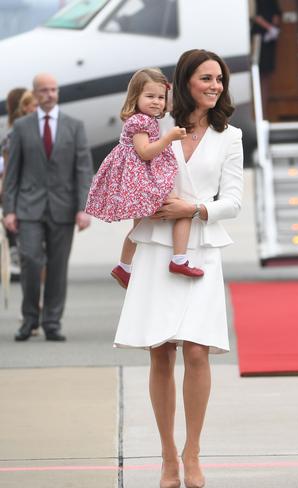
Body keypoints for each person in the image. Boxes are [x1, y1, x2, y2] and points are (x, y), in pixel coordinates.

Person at [113, 49, 243, 488]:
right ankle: (168, 456)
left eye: (220, 80)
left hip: (200, 248)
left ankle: (193, 453)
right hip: (155, 246)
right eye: (206, 78)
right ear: (185, 81)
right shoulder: (155, 128)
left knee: (196, 351)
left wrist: (195, 208)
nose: (215, 86)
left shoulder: (230, 136)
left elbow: (234, 201)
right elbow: (131, 175)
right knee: (160, 351)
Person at [84, 68, 201, 289]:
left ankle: (124, 267)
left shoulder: (144, 119)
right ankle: (179, 259)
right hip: (141, 178)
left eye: (160, 97)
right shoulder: (141, 121)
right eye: (150, 96)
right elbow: (145, 152)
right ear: (135, 96)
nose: (156, 102)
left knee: (139, 227)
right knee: (183, 209)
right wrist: (170, 137)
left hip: (138, 176)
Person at [2, 73, 93, 342]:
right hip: (28, 207)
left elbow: (83, 170)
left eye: (53, 89)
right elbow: (12, 173)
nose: (49, 94)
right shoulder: (21, 127)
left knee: (57, 266)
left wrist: (83, 208)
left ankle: (52, 321)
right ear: (35, 93)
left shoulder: (74, 126)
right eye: (44, 90)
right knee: (30, 260)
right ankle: (30, 319)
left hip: (63, 208)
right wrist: (9, 209)